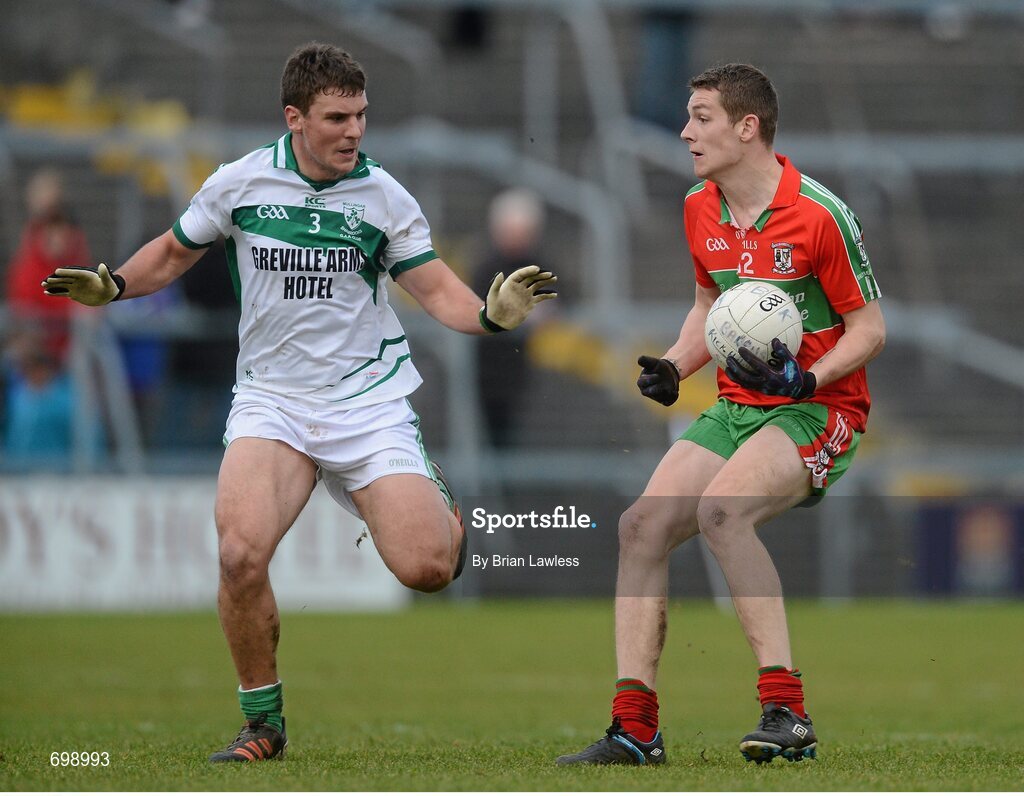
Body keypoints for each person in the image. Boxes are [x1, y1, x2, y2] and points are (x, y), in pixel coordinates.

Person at [42, 42, 556, 763]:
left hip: (368, 405)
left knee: (427, 570)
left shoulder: (385, 198)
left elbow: (437, 290)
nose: (354, 131)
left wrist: (494, 315)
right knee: (240, 553)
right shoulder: (239, 183)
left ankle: (438, 506)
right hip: (273, 403)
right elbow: (171, 251)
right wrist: (116, 286)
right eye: (337, 117)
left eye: (362, 115)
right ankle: (263, 725)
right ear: (295, 117)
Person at [557, 63, 884, 767]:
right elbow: (712, 310)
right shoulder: (699, 205)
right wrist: (677, 364)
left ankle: (787, 713)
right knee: (640, 526)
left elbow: (870, 330)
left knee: (722, 511)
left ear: (747, 127)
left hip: (817, 409)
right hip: (740, 405)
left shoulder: (821, 213)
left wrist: (809, 378)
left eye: (700, 117)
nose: (684, 131)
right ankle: (634, 730)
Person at [471, 188, 549, 447]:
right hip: (493, 375)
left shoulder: (540, 264)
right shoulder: (485, 267)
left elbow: (564, 296)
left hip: (529, 373)